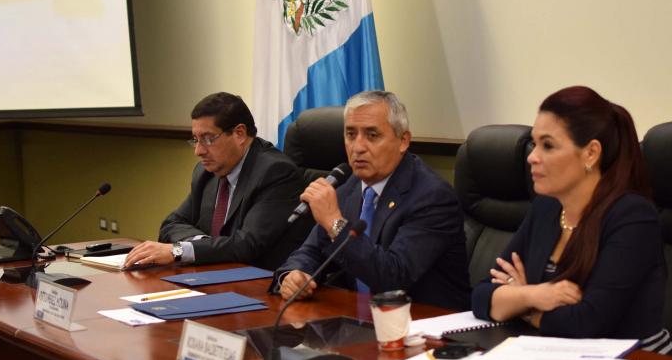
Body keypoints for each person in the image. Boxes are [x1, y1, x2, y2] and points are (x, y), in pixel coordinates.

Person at [471, 85, 672, 360]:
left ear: (590, 153)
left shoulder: (631, 216)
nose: (532, 156)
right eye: (533, 143)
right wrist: (537, 296)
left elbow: (587, 323)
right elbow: (479, 296)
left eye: (547, 145)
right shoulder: (547, 209)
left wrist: (519, 303)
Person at [274, 90, 469, 310]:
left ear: (403, 141)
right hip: (358, 322)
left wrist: (335, 222)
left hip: (426, 325)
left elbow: (392, 278)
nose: (357, 147)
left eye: (372, 135)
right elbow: (310, 251)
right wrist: (294, 275)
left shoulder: (432, 197)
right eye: (350, 134)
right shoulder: (349, 186)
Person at [124, 92, 309, 271]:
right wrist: (204, 246)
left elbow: (247, 245)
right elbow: (171, 224)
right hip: (213, 276)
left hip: (260, 284)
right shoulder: (206, 172)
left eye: (207, 139)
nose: (198, 151)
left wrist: (179, 251)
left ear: (239, 134)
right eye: (195, 140)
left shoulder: (275, 172)